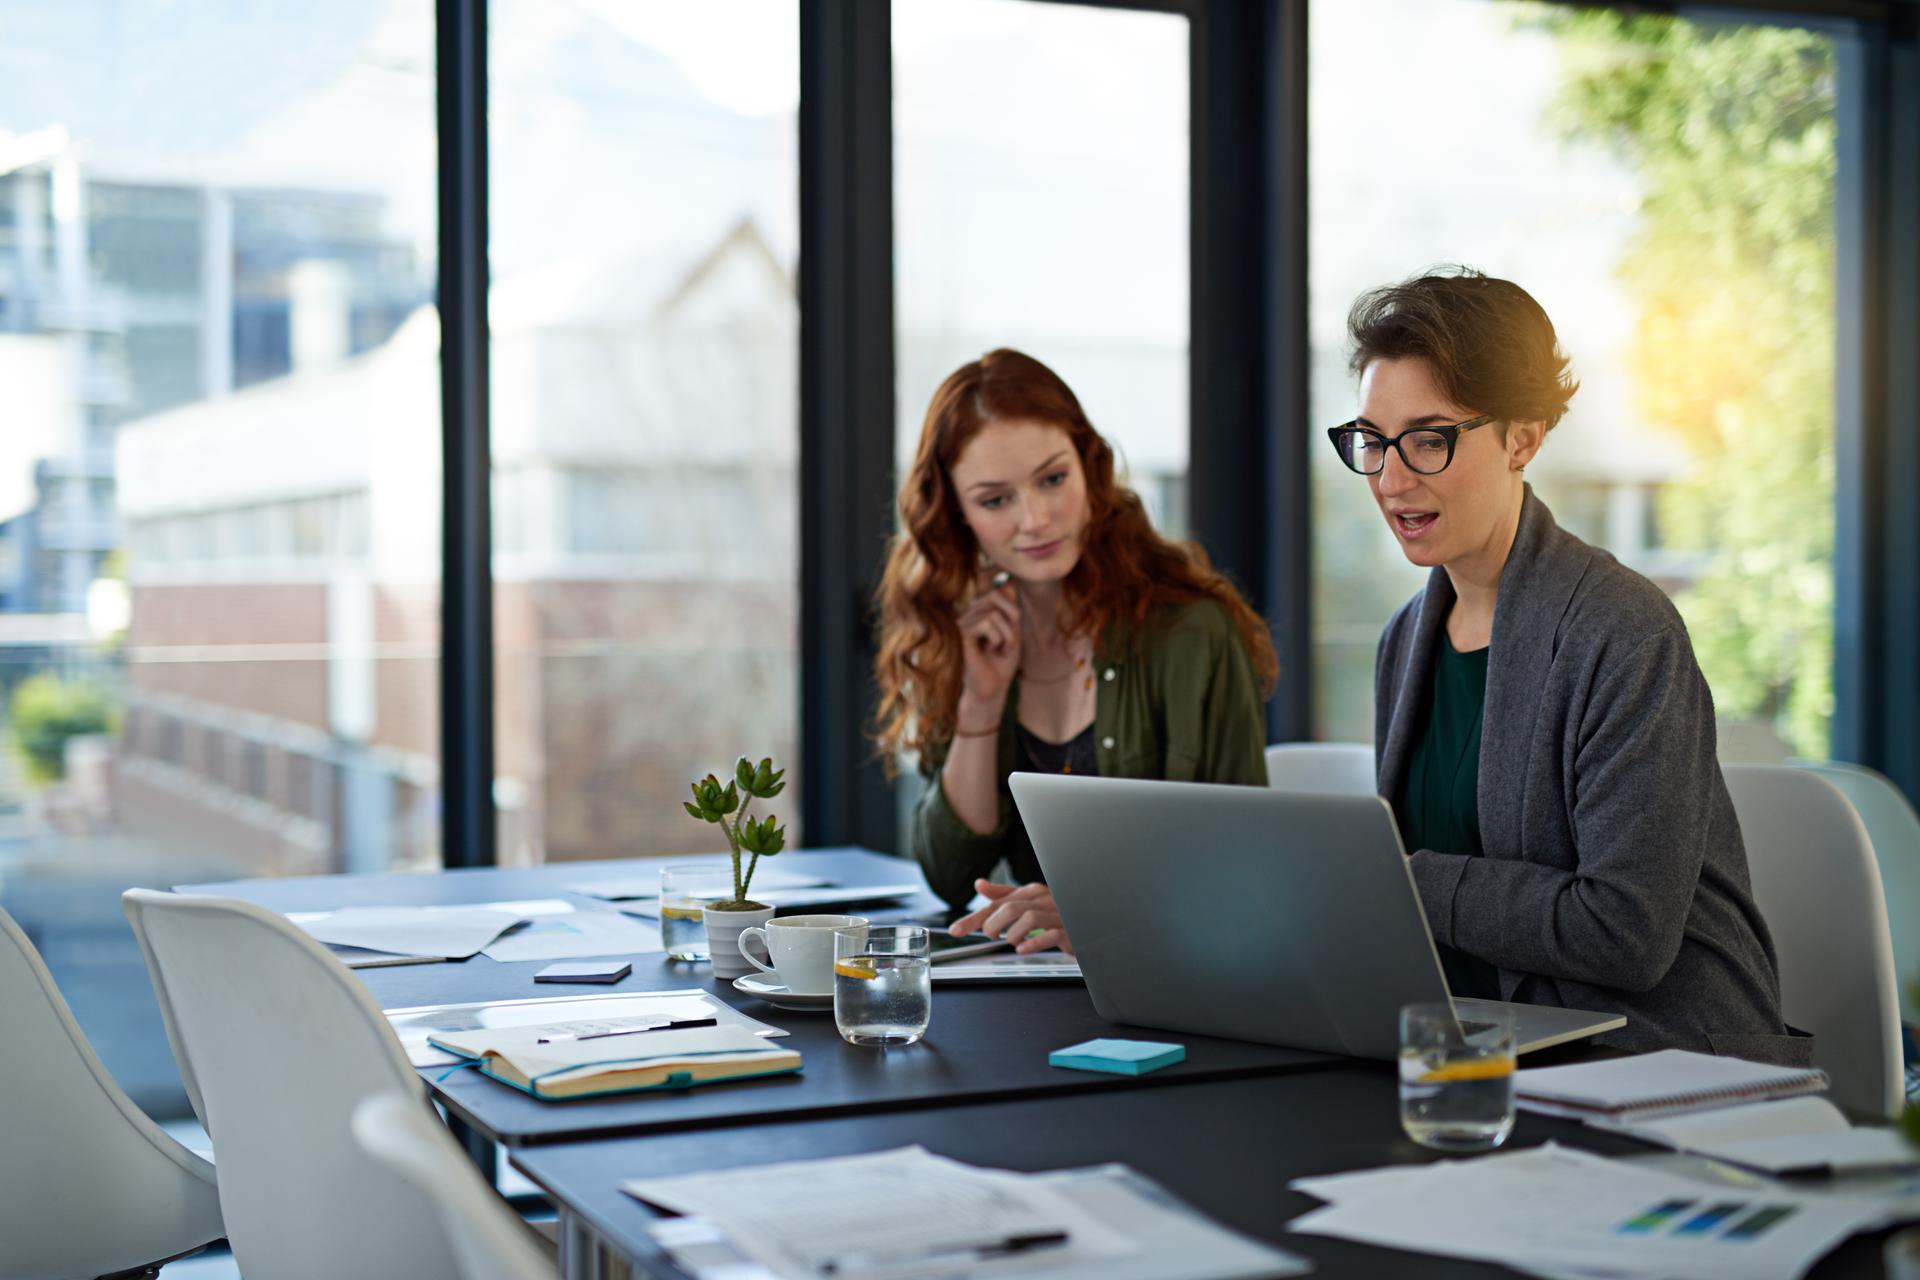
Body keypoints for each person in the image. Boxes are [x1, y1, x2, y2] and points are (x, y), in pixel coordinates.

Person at [1336, 267, 1807, 1065]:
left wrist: (1405, 882)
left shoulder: (1622, 631)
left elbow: (1624, 933)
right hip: (1486, 1050)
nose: (1391, 477)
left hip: (1655, 1061)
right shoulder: (1405, 638)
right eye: (1373, 442)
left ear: (1523, 437)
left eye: (1428, 439)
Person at [874, 348, 1275, 953]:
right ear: (957, 515)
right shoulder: (970, 636)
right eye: (995, 500)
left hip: (1175, 986)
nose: (1034, 519)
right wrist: (980, 703)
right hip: (1026, 986)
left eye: (1052, 479)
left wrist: (1100, 911)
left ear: (1089, 468)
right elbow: (951, 873)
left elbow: (1247, 870)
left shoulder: (1193, 630)